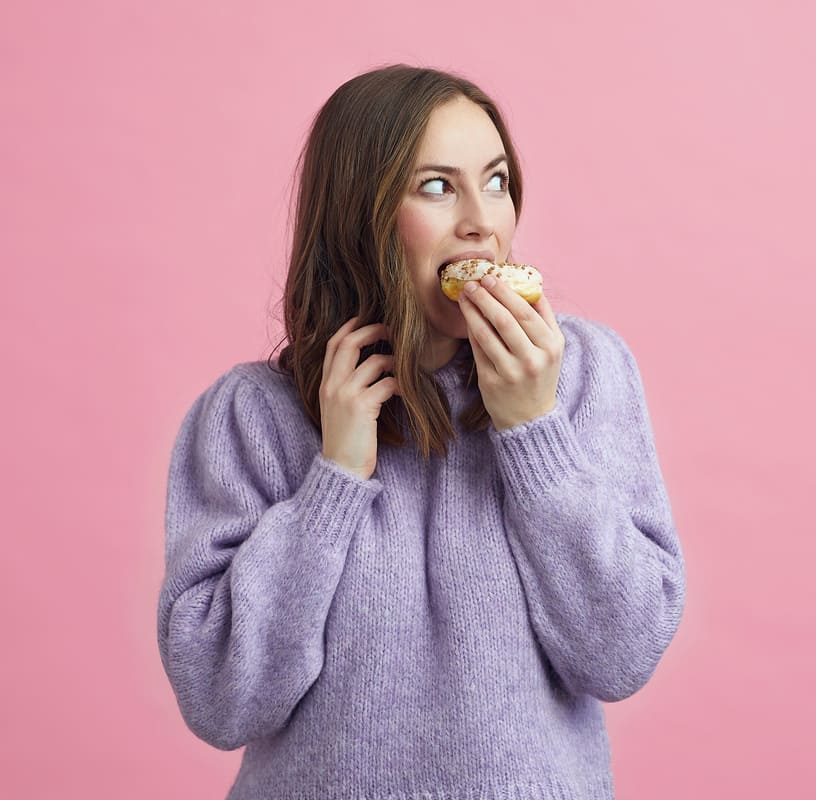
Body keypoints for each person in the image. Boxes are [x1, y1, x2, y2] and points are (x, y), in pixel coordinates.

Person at [155, 64, 686, 800]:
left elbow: (621, 654)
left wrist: (534, 432)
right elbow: (220, 700)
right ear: (360, 217)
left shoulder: (585, 373)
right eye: (437, 187)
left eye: (496, 181)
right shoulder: (251, 416)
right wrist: (333, 482)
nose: (482, 221)